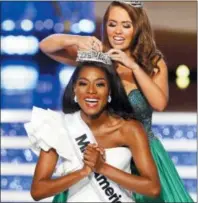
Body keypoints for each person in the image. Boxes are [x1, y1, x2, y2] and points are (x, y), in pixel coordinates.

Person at [39, 1, 193, 202]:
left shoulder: (152, 62)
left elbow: (159, 103)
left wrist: (133, 66)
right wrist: (77, 38)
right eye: (112, 24)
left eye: (125, 25)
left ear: (137, 27)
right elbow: (46, 46)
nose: (118, 31)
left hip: (144, 158)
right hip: (104, 157)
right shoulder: (98, 57)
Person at [24, 50, 161, 202]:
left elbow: (153, 188)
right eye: (83, 84)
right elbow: (37, 191)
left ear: (110, 90)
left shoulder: (129, 129)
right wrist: (83, 172)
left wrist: (102, 168)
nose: (91, 91)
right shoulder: (59, 126)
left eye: (100, 84)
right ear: (74, 88)